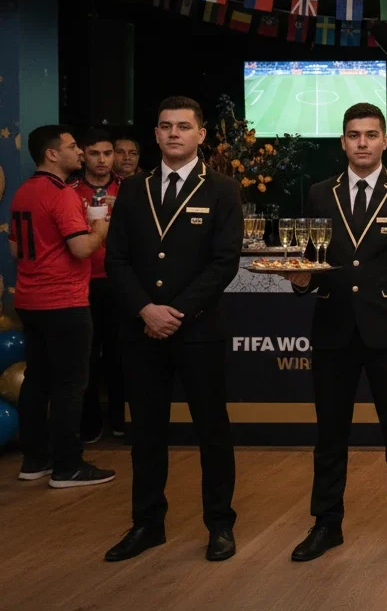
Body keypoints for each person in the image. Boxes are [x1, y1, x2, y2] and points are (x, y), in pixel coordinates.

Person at [283, 103, 387, 562]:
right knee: (330, 434)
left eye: (371, 135)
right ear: (343, 142)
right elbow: (311, 258)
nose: (363, 143)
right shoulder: (318, 193)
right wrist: (303, 281)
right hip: (332, 328)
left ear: (385, 141)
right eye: (354, 135)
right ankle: (326, 524)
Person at [103, 96, 244, 563]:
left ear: (201, 135)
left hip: (198, 329)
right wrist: (146, 309)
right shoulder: (134, 188)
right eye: (165, 126)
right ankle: (147, 524)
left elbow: (223, 263)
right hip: (142, 332)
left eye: (184, 126)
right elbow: (116, 259)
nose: (173, 134)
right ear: (156, 134)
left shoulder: (222, 189)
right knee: (146, 432)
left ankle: (219, 525)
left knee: (212, 431)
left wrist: (174, 312)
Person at [10, 125, 115, 488]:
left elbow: (14, 249)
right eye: (72, 147)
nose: (80, 153)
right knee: (71, 385)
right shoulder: (61, 194)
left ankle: (35, 459)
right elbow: (82, 248)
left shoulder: (24, 191)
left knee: (37, 380)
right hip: (63, 301)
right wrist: (99, 227)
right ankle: (68, 465)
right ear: (52, 154)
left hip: (29, 298)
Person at [69, 129, 125, 443]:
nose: (102, 160)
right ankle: (89, 424)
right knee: (86, 356)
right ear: (84, 156)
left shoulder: (130, 188)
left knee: (121, 354)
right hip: (83, 282)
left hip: (120, 283)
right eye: (95, 153)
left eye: (108, 153)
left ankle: (121, 419)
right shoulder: (70, 190)